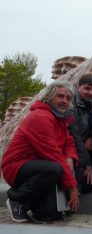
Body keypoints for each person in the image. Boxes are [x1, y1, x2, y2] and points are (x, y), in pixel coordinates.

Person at [1, 80, 80, 223]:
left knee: (49, 216)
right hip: (17, 166)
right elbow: (54, 155)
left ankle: (36, 206)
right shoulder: (40, 117)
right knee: (55, 169)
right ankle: (17, 199)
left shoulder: (60, 119)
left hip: (40, 165)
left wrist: (70, 157)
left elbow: (69, 142)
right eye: (60, 96)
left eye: (68, 98)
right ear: (49, 97)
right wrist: (72, 187)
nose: (65, 101)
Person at [69, 74, 92, 194]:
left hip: (82, 154)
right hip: (72, 154)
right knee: (87, 183)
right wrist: (88, 164)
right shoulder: (71, 107)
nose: (91, 92)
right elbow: (76, 137)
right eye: (87, 88)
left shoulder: (89, 107)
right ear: (77, 87)